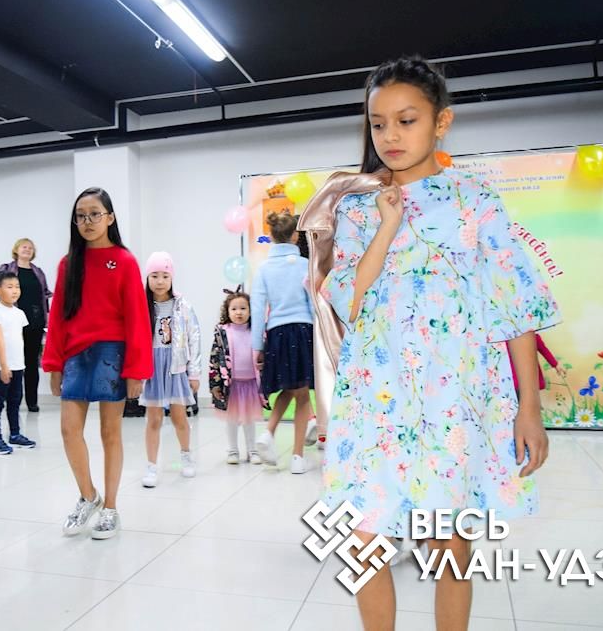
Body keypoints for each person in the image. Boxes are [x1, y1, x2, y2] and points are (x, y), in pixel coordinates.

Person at [315, 56, 558, 630]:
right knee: (363, 538)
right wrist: (387, 224)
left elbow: (514, 308)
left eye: (407, 120)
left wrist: (529, 407)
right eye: (379, 124)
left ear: (441, 122)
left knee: (449, 542)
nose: (390, 136)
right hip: (376, 394)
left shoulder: (475, 200)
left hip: (454, 396)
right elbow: (348, 299)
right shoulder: (355, 206)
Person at [43, 187, 151, 540]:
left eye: (94, 214)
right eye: (81, 216)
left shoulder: (124, 261)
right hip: (76, 355)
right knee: (68, 430)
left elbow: (137, 318)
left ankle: (111, 508)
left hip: (112, 355)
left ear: (110, 217)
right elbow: (58, 317)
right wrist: (53, 363)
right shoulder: (68, 264)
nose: (87, 221)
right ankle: (88, 496)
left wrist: (136, 370)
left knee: (110, 433)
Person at [251, 211, 316, 474]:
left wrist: (257, 346)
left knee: (290, 388)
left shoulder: (264, 269)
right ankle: (298, 457)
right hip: (302, 329)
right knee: (302, 393)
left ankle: (268, 434)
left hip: (276, 333)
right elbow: (313, 302)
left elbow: (258, 309)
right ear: (295, 236)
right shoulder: (304, 265)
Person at [139, 252, 201, 487]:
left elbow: (194, 337)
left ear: (172, 278)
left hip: (175, 367)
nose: (160, 281)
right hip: (152, 368)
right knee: (153, 419)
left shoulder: (182, 305)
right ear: (147, 278)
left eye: (165, 276)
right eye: (154, 276)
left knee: (179, 416)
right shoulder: (141, 305)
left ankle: (186, 456)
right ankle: (152, 465)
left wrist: (194, 372)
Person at [0, 270, 37, 455]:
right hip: (0, 367)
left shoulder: (19, 313)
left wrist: (19, 364)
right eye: (9, 287)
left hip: (17, 366)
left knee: (15, 402)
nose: (15, 291)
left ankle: (14, 434)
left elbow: (19, 340)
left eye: (17, 287)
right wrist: (4, 366)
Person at [209, 290, 263, 465]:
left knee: (249, 419)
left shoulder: (256, 331)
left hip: (250, 384)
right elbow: (214, 358)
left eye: (243, 308)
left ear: (250, 310)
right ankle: (232, 451)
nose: (239, 312)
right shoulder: (222, 332)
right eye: (234, 309)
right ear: (227, 311)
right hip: (231, 385)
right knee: (231, 419)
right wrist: (215, 384)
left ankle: (252, 451)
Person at [0, 238, 52, 413]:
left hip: (35, 322)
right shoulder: (7, 269)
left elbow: (44, 296)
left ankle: (32, 402)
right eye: (24, 247)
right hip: (12, 323)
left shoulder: (38, 272)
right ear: (16, 249)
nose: (27, 250)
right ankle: (10, 400)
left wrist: (47, 318)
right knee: (12, 362)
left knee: (31, 363)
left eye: (30, 248)